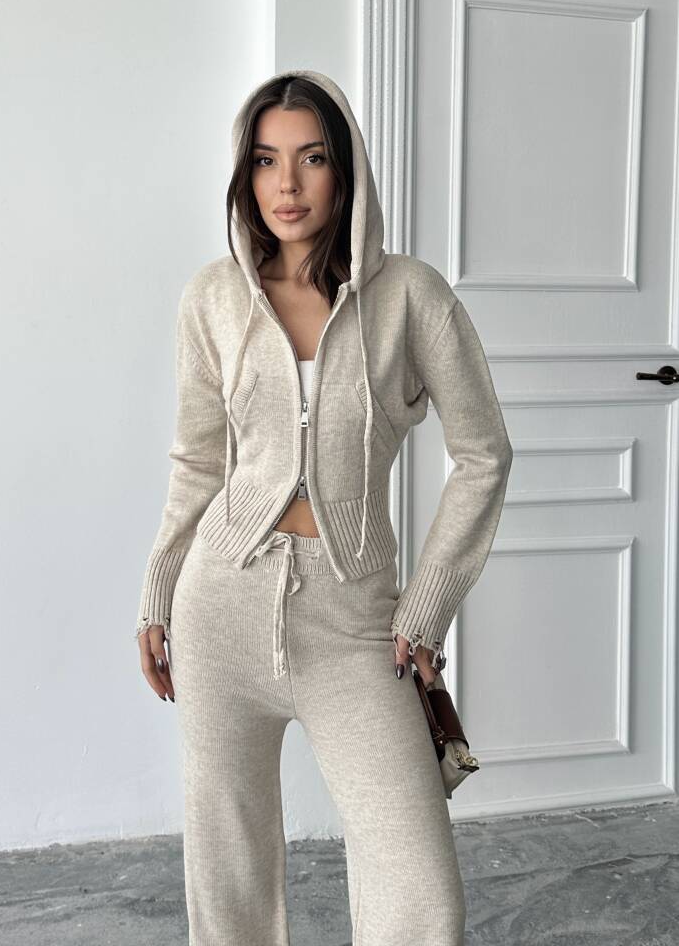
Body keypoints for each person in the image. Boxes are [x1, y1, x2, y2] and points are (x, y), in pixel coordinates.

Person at [134, 69, 513, 946]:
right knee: (228, 879)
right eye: (266, 161)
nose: (288, 184)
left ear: (345, 171)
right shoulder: (213, 298)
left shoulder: (411, 296)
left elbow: (484, 455)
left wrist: (427, 606)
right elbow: (197, 460)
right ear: (246, 174)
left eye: (310, 158)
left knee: (419, 890)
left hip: (355, 620)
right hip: (220, 607)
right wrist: (157, 590)